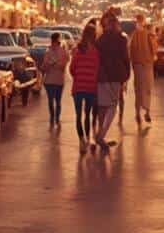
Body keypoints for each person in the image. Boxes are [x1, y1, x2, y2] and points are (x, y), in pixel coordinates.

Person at [94, 10, 130, 153]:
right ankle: (100, 135)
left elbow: (97, 58)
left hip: (102, 76)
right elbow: (125, 58)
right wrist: (127, 74)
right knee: (113, 105)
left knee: (103, 106)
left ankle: (100, 133)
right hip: (115, 75)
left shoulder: (100, 40)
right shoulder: (121, 39)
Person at [69, 24, 100, 154]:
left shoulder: (77, 50)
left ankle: (82, 141)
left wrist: (78, 76)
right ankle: (88, 138)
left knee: (78, 115)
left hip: (78, 87)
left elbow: (71, 69)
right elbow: (98, 70)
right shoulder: (97, 52)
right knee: (88, 114)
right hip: (91, 87)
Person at [128, 13, 156, 125]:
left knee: (141, 90)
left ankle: (142, 113)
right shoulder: (143, 35)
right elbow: (154, 49)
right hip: (143, 65)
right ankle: (142, 113)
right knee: (144, 89)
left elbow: (130, 51)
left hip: (141, 65)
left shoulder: (137, 35)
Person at [41, 32, 69, 128]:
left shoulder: (48, 52)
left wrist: (50, 65)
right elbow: (63, 65)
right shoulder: (63, 52)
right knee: (57, 101)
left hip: (50, 80)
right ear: (58, 40)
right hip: (58, 80)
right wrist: (55, 65)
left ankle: (53, 117)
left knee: (51, 100)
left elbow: (44, 66)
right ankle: (56, 118)